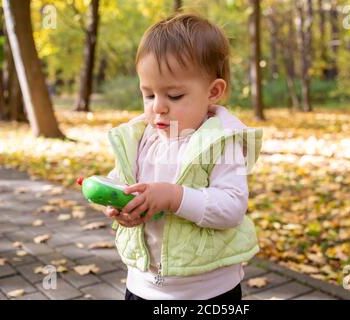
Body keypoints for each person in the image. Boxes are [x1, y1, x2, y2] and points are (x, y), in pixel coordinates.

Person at [103, 12, 263, 300]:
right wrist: (119, 204)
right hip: (142, 284)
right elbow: (123, 181)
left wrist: (175, 197)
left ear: (213, 92)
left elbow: (232, 206)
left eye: (174, 96)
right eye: (149, 95)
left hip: (208, 289)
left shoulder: (220, 142)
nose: (158, 108)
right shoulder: (139, 138)